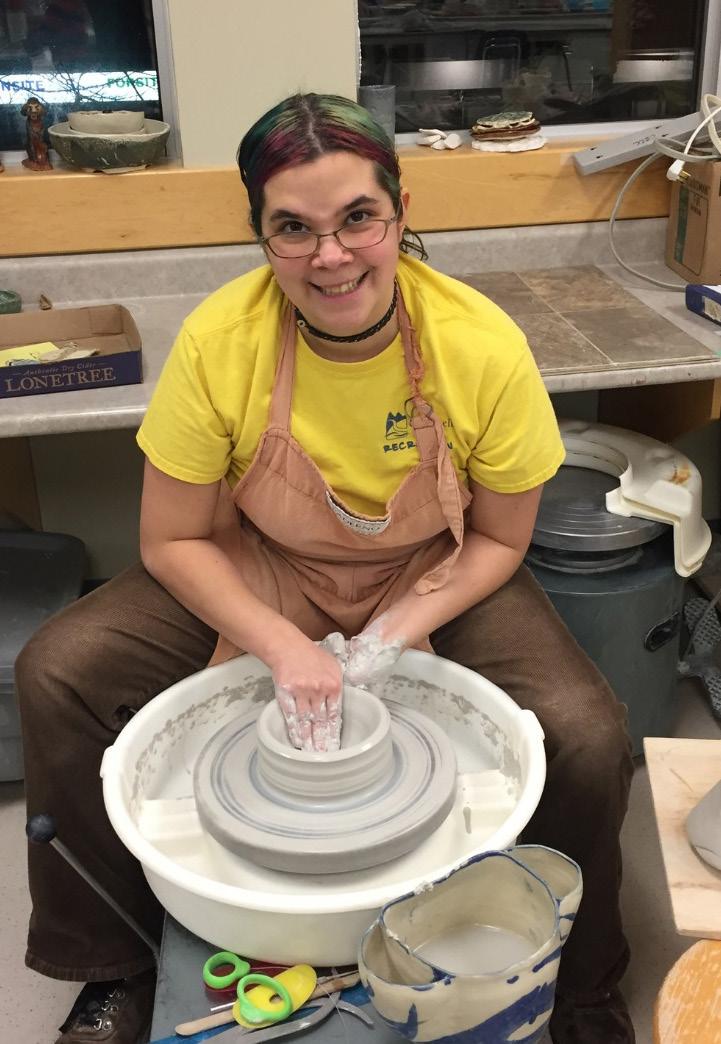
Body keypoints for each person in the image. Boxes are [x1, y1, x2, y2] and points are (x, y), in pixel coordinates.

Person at [16, 92, 634, 1044]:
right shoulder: (222, 341)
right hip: (264, 559)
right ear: (259, 234)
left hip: (434, 567)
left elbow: (501, 541)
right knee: (58, 671)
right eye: (293, 229)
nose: (331, 256)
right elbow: (171, 540)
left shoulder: (478, 344)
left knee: (586, 735)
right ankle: (111, 967)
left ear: (400, 210)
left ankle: (581, 987)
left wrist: (395, 632)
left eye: (357, 218)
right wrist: (280, 644)